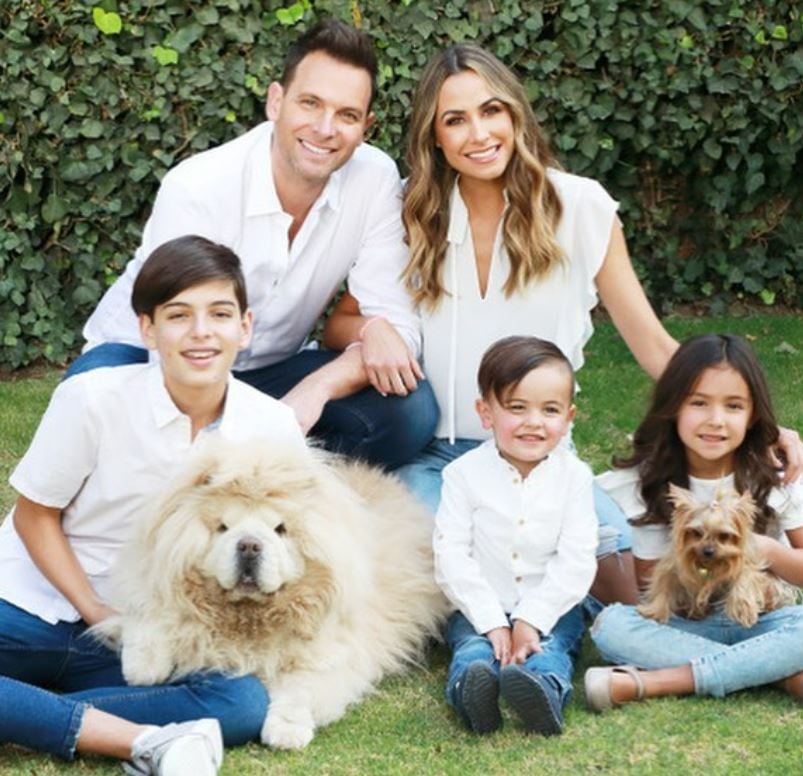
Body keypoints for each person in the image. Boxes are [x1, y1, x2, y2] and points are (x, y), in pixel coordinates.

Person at [324, 43, 803, 602]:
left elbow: (652, 345)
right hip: (440, 458)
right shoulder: (414, 211)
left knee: (629, 590)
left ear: (516, 115)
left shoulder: (579, 208)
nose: (478, 134)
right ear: (434, 135)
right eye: (455, 120)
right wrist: (374, 331)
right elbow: (343, 323)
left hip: (546, 456)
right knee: (435, 567)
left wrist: (764, 425)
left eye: (491, 111)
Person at [66, 20, 437, 470]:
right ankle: (251, 459)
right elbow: (176, 335)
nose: (325, 129)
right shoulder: (198, 186)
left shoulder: (374, 179)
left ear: (366, 126)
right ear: (276, 101)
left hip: (271, 369)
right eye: (310, 103)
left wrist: (313, 391)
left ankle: (277, 480)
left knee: (409, 411)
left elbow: (399, 333)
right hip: (149, 357)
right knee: (93, 418)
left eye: (347, 115)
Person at [0, 236, 307, 773]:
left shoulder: (272, 427)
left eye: (219, 314)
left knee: (240, 703)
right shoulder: (92, 399)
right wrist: (100, 613)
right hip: (30, 609)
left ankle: (29, 717)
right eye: (178, 315)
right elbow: (35, 515)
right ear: (147, 329)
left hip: (155, 635)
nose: (201, 333)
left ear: (245, 326)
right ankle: (138, 739)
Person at [585, 334, 803, 710]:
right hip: (687, 620)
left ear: (753, 414)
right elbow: (651, 588)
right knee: (612, 626)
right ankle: (775, 670)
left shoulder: (775, 474)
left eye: (734, 406)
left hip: (762, 616)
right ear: (673, 406)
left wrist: (762, 549)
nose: (715, 421)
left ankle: (655, 682)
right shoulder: (645, 480)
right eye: (698, 403)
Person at [435, 336, 597, 736]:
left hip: (553, 606)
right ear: (486, 412)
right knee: (473, 650)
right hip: (479, 605)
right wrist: (492, 622)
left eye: (550, 410)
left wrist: (532, 619)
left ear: (569, 417)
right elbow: (452, 555)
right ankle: (472, 694)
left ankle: (543, 690)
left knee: (551, 649)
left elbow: (576, 559)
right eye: (517, 407)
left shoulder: (574, 478)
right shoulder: (463, 476)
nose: (534, 422)